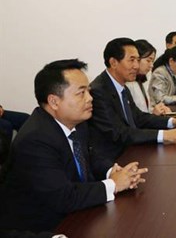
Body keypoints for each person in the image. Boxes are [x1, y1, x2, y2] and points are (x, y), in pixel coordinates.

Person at [0, 59, 147, 233]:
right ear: (54, 101)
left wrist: (112, 171)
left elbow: (90, 157)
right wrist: (113, 184)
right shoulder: (35, 140)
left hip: (79, 214)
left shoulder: (77, 123)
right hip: (45, 227)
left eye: (89, 91)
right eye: (81, 93)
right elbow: (64, 196)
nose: (90, 98)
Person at [89, 38, 176, 161]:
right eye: (131, 60)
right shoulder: (99, 91)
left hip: (131, 151)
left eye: (138, 60)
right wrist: (164, 135)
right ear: (113, 62)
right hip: (115, 160)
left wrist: (173, 122)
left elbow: (139, 117)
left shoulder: (121, 86)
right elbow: (120, 134)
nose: (136, 66)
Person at [126, 39, 171, 115]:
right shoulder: (127, 84)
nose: (151, 65)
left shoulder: (142, 80)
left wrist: (159, 109)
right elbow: (134, 117)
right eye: (148, 60)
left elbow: (145, 109)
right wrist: (153, 114)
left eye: (152, 61)